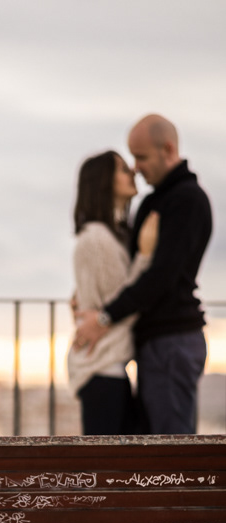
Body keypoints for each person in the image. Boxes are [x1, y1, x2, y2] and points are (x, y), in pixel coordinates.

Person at [74, 114, 213, 434]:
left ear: (168, 149)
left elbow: (158, 277)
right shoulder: (155, 200)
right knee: (158, 450)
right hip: (158, 343)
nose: (135, 167)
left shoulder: (187, 200)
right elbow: (132, 272)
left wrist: (104, 317)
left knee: (170, 457)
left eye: (140, 157)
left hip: (171, 340)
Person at [68, 150, 158, 434]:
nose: (132, 172)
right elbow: (127, 300)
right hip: (102, 368)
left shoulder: (107, 237)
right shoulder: (97, 239)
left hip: (106, 367)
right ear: (104, 182)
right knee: (108, 472)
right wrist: (145, 256)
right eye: (121, 169)